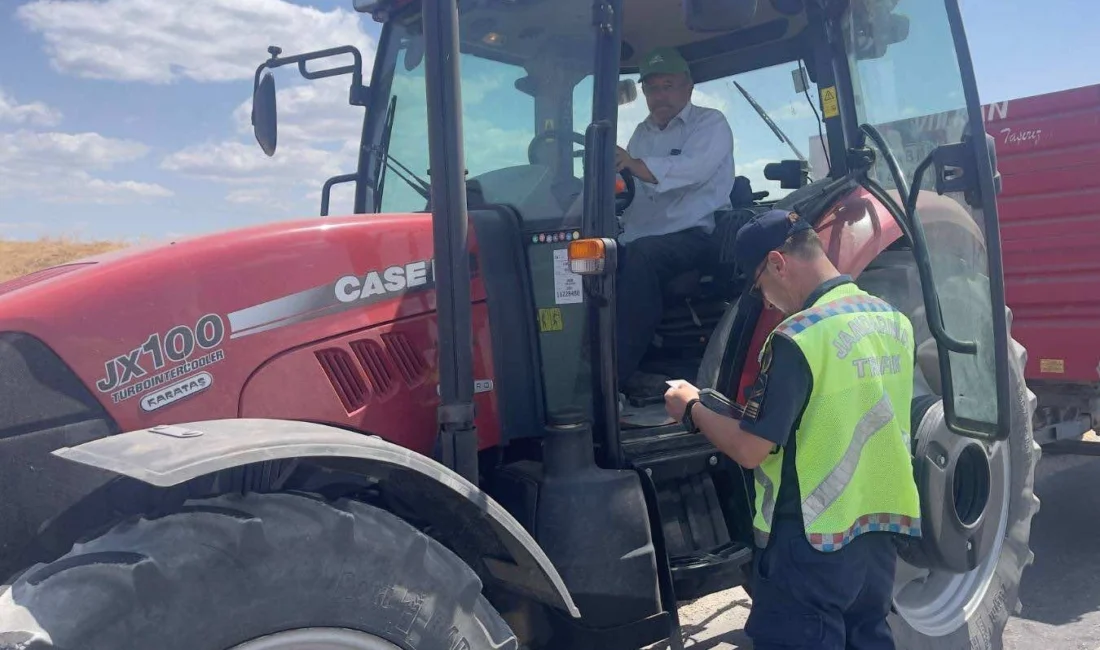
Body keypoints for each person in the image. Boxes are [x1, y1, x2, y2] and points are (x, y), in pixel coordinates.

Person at [663, 209, 922, 649]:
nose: (765, 301)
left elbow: (751, 450)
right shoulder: (893, 320)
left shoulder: (798, 336)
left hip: (811, 540)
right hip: (876, 538)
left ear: (777, 263)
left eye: (759, 285)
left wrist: (691, 408)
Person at [614, 46, 735, 390]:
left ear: (688, 87)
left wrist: (633, 165)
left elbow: (693, 170)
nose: (659, 95)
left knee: (641, 258)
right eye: (652, 88)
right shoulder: (643, 133)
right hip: (642, 233)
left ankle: (615, 376)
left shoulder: (710, 123)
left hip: (696, 235)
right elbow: (628, 181)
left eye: (668, 86)